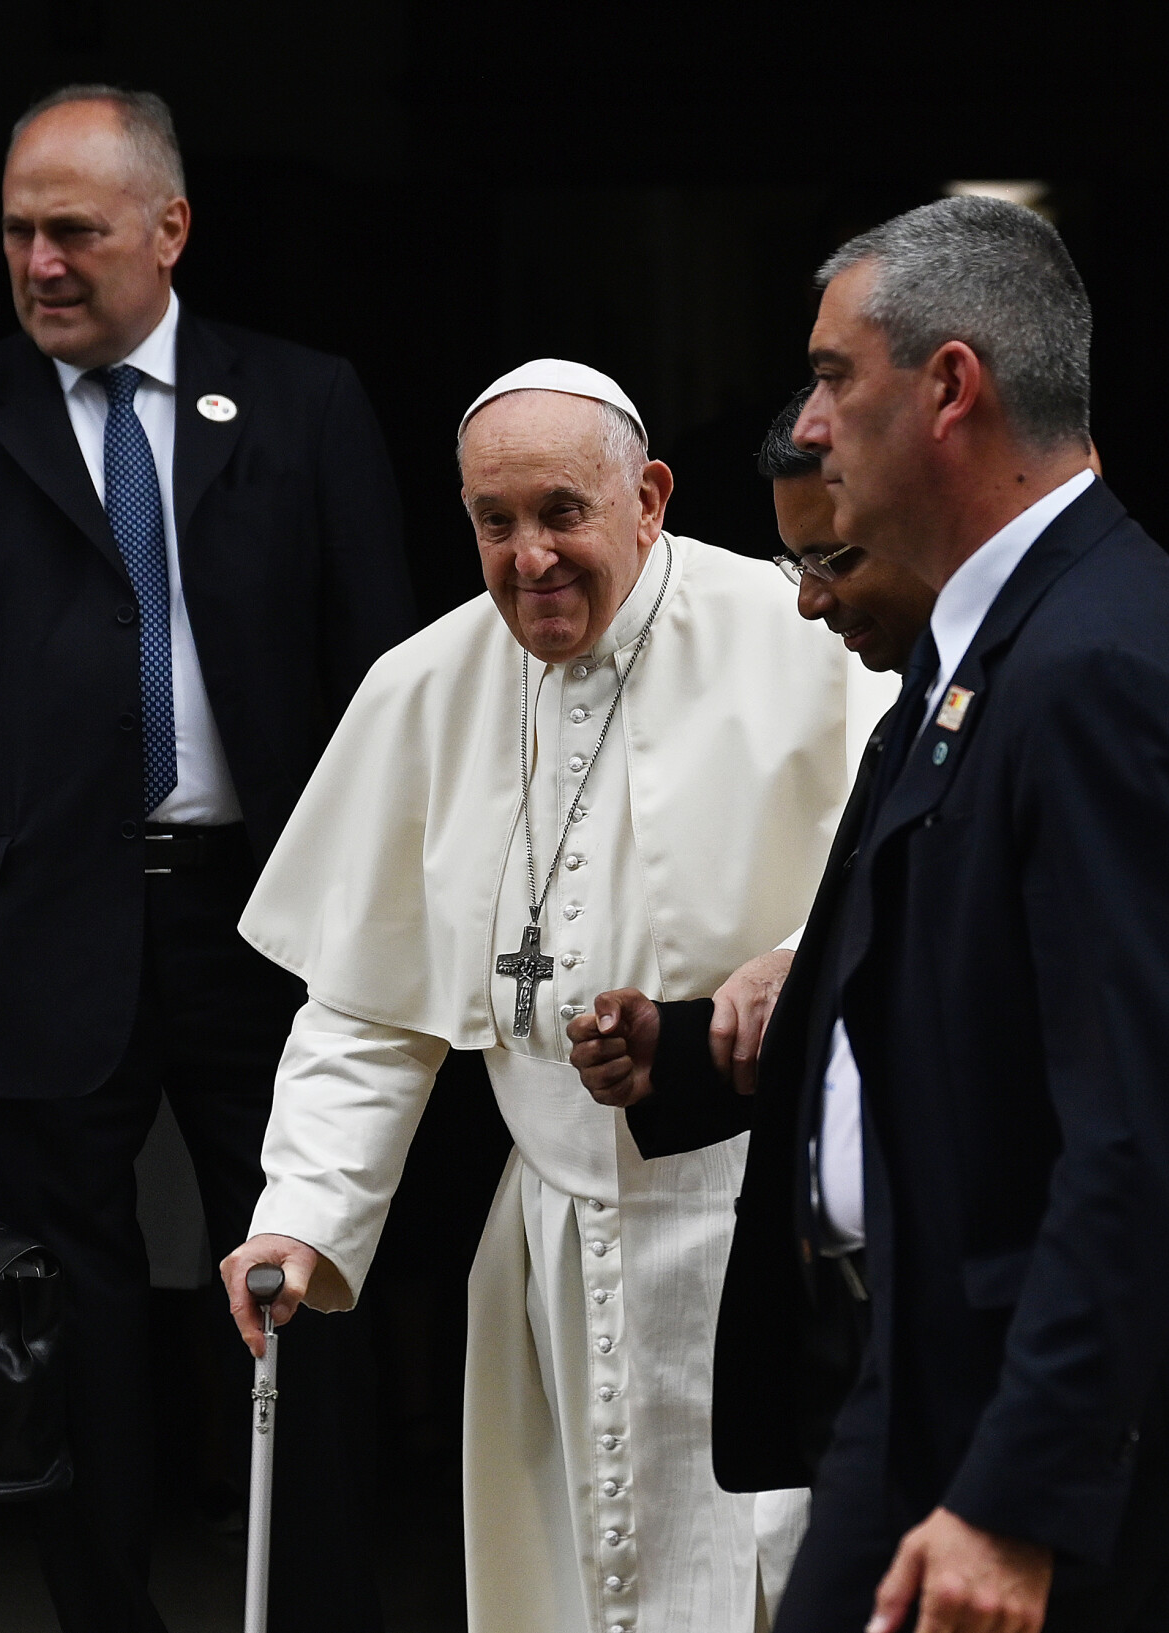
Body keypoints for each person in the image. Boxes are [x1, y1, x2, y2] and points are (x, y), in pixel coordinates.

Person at [0, 85, 416, 1631]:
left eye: (73, 231)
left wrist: (400, 947)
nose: (38, 261)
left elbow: (389, 698)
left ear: (169, 230)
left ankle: (308, 1609)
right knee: (67, 1320)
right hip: (31, 940)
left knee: (303, 1285)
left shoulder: (304, 406)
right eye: (18, 231)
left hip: (270, 925)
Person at [709, 194, 1169, 1632]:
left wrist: (1016, 1497)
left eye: (832, 373)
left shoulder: (1094, 661)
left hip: (1060, 1429)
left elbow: (1137, 1130)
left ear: (949, 389)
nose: (807, 419)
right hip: (932, 1371)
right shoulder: (996, 635)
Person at [222, 358, 896, 1633]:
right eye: (493, 520)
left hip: (758, 1235)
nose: (527, 556)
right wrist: (301, 1213)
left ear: (647, 498)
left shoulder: (803, 633)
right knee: (576, 1587)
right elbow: (368, 1004)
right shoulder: (426, 685)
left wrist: (789, 961)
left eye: (561, 513)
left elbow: (915, 877)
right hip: (553, 1246)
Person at [566, 386, 936, 1605]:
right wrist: (675, 1045)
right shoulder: (917, 675)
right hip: (800, 1266)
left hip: (936, 1285)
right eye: (794, 562)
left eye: (832, 558)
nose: (809, 600)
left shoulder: (1051, 674)